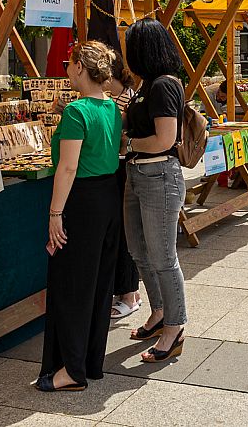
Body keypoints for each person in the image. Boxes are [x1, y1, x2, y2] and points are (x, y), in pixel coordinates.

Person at [37, 41, 123, 392]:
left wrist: (55, 213)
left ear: (80, 68)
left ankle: (71, 369)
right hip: (108, 198)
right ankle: (88, 362)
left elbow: (68, 167)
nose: (68, 69)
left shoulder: (77, 111)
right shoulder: (112, 108)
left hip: (83, 201)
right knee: (99, 285)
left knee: (72, 286)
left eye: (71, 64)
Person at [122, 18, 187, 363]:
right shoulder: (147, 84)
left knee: (163, 256)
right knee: (138, 251)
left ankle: (174, 328)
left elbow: (165, 139)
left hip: (159, 175)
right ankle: (160, 311)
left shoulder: (163, 85)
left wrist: (128, 142)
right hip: (138, 174)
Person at [102, 55, 140, 321]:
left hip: (122, 167)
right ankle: (128, 292)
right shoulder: (115, 98)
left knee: (124, 232)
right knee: (121, 231)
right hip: (116, 166)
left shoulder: (128, 98)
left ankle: (129, 293)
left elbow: (126, 138)